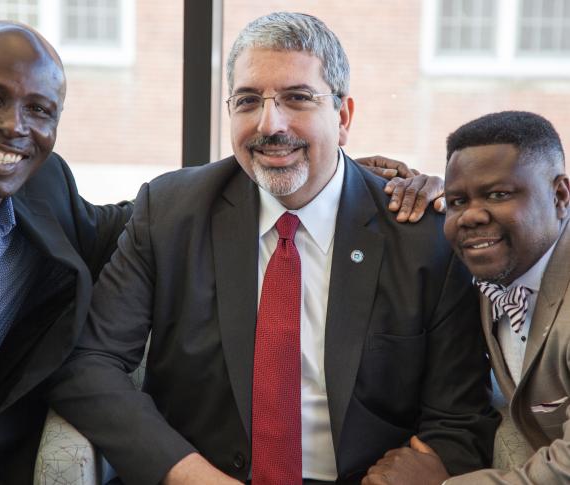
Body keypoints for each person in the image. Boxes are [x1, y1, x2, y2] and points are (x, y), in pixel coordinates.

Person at [47, 12, 498, 485]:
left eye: (297, 98)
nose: (270, 123)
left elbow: (461, 420)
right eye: (247, 101)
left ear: (342, 117)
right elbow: (90, 364)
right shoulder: (170, 212)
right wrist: (193, 477)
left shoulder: (421, 236)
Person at [363, 110, 570, 485]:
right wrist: (353, 184)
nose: (471, 216)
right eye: (458, 201)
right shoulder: (488, 270)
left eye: (499, 194)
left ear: (559, 196)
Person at [0, 21, 133, 484]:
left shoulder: (45, 183)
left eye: (38, 109)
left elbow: (139, 221)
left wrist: (289, 168)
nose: (14, 125)